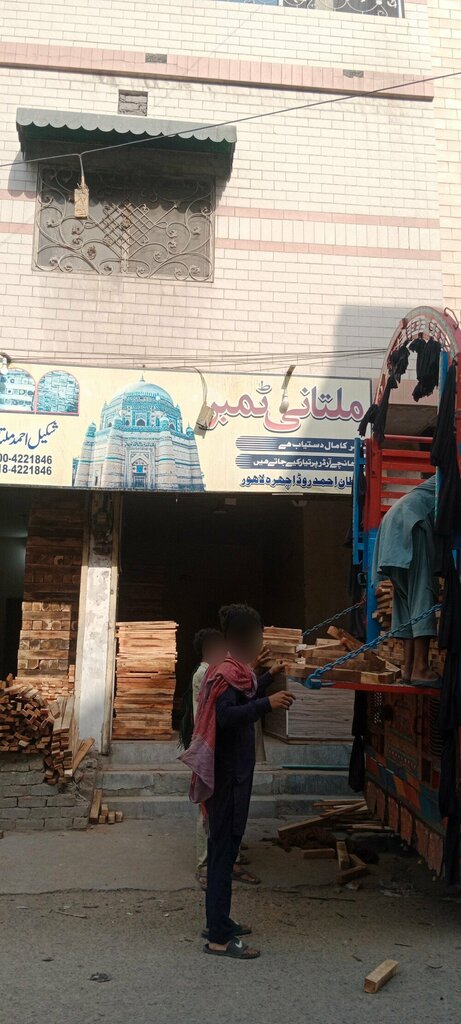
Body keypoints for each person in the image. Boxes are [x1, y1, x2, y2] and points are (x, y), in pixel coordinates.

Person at [181, 603, 295, 960]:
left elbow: (245, 692)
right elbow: (227, 715)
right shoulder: (222, 673)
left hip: (236, 775)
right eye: (255, 637)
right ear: (240, 638)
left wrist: (268, 679)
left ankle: (220, 921)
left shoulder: (236, 672)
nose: (258, 643)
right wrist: (268, 704)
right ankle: (218, 938)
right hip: (227, 778)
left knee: (225, 852)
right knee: (221, 854)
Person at [372, 474, 439, 684]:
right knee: (422, 592)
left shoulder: (442, 476)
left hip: (394, 523)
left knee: (405, 598)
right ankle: (421, 669)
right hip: (411, 523)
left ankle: (408, 670)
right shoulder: (453, 477)